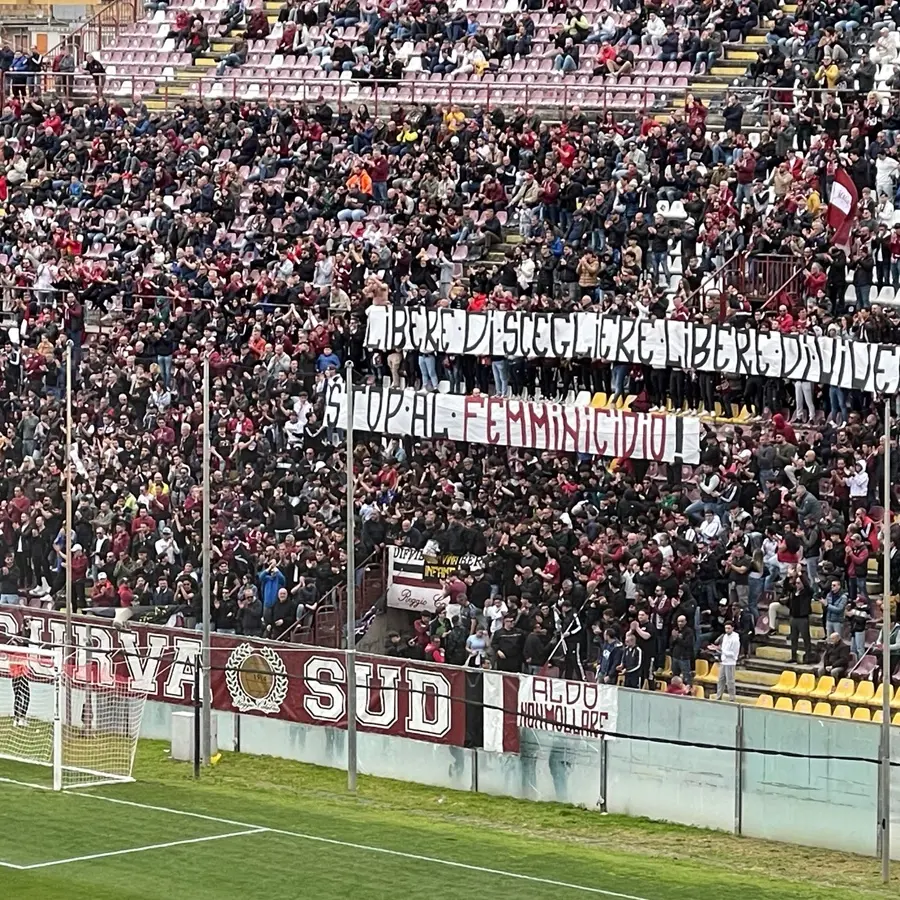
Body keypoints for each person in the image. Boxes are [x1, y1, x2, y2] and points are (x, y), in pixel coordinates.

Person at [713, 621, 740, 702]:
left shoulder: (735, 640)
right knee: (720, 680)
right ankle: (718, 697)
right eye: (726, 628)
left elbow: (733, 654)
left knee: (730, 681)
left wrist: (722, 650)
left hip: (730, 662)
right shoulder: (725, 636)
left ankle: (732, 698)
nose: (727, 630)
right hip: (724, 661)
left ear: (733, 628)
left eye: (729, 628)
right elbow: (723, 649)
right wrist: (718, 649)